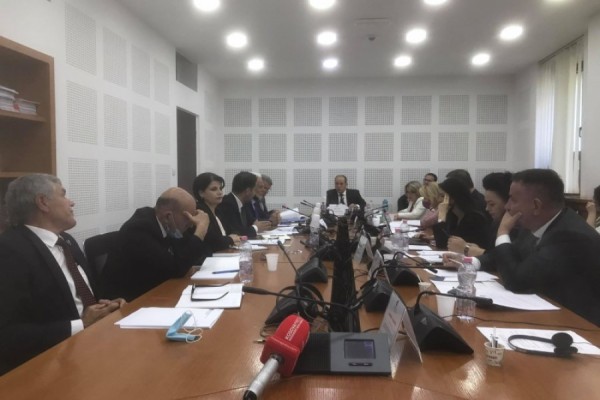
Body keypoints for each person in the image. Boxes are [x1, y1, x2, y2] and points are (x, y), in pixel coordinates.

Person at [0, 174, 125, 375]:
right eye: (64, 195)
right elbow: (8, 335)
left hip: (94, 344)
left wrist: (106, 306)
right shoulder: (9, 252)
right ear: (43, 202)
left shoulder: (66, 240)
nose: (71, 202)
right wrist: (81, 324)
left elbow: (84, 298)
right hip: (50, 366)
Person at [487, 169, 600, 325]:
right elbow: (509, 256)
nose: (507, 206)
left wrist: (503, 232)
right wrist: (471, 262)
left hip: (580, 325)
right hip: (548, 313)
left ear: (536, 206)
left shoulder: (569, 235)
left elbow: (516, 280)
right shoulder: (536, 225)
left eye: (513, 200)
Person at [102, 187, 211, 301]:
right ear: (168, 216)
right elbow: (176, 269)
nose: (192, 224)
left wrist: (199, 230)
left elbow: (196, 256)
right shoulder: (139, 229)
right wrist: (201, 230)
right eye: (188, 218)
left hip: (157, 289)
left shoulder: (168, 225)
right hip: (127, 301)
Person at [447, 172, 513, 257]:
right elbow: (491, 251)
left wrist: (469, 249)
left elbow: (504, 260)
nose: (487, 209)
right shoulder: (496, 223)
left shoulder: (476, 212)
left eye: (492, 204)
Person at [432, 178, 491, 250]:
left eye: (442, 196)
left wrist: (441, 216)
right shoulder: (453, 216)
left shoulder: (474, 218)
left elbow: (444, 244)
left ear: (453, 197)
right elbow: (443, 242)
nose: (439, 200)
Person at [193, 172, 241, 252]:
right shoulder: (200, 212)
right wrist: (230, 239)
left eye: (220, 188)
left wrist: (232, 237)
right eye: (214, 189)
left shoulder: (219, 210)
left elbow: (233, 230)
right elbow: (212, 242)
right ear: (201, 193)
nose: (220, 192)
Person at [216, 171, 271, 238]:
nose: (256, 193)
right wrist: (255, 228)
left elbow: (252, 222)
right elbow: (236, 233)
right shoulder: (227, 204)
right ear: (248, 191)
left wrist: (268, 221)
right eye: (255, 190)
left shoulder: (244, 203)